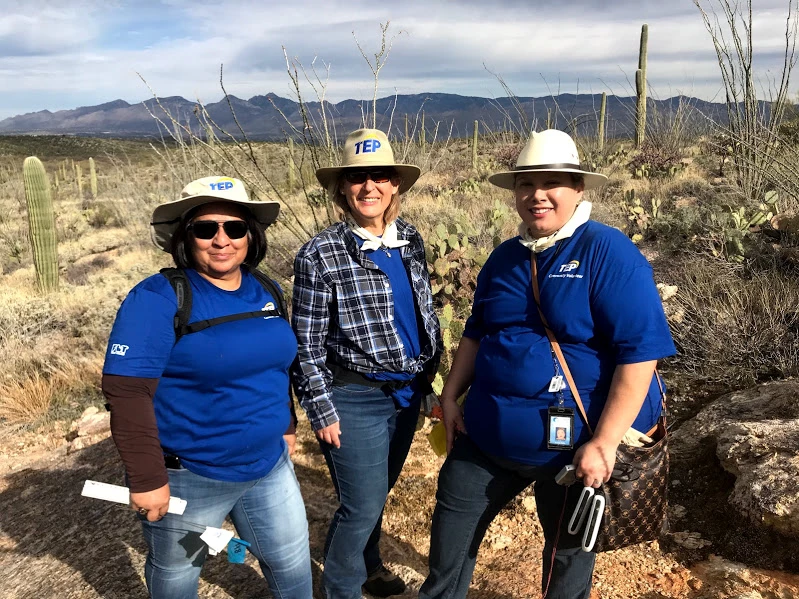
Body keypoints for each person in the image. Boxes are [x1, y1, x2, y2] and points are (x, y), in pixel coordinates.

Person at [419, 130, 676, 599]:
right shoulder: (504, 258)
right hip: (487, 436)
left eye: (551, 182)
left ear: (578, 188)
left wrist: (604, 443)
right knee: (448, 545)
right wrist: (451, 396)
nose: (537, 194)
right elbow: (476, 332)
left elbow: (639, 354)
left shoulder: (608, 252)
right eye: (526, 184)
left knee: (565, 564)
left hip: (574, 451)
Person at [102, 176, 313, 599]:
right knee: (180, 571)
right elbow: (127, 392)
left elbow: (275, 366)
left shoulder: (266, 289)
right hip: (192, 476)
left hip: (268, 466)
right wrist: (146, 478)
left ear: (251, 236)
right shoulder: (158, 298)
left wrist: (287, 423)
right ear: (185, 235)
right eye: (205, 229)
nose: (221, 240)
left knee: (291, 562)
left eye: (235, 228)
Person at [291, 129, 441, 599]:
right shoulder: (320, 254)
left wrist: (429, 381)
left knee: (377, 494)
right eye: (358, 177)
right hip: (352, 396)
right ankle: (341, 590)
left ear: (395, 184)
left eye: (380, 175)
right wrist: (320, 408)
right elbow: (306, 342)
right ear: (342, 187)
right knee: (360, 506)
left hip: (406, 392)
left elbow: (420, 313)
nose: (369, 186)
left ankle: (370, 567)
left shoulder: (409, 239)